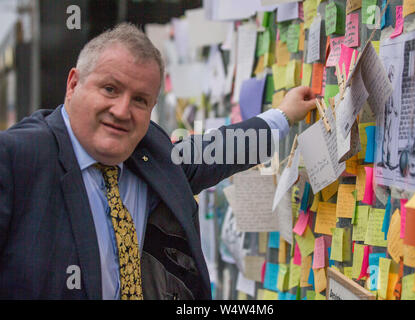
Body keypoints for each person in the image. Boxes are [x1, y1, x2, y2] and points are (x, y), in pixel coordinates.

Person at [0, 23, 316, 300]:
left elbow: (210, 153)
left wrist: (282, 116)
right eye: (110, 89)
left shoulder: (147, 149)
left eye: (140, 100)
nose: (122, 111)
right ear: (73, 84)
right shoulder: (18, 158)